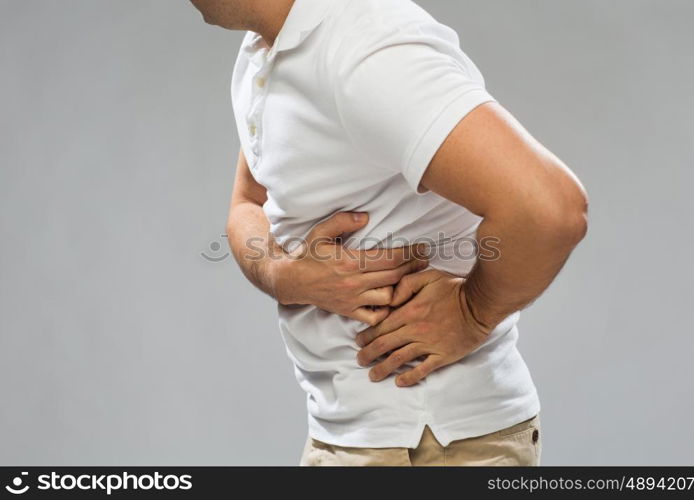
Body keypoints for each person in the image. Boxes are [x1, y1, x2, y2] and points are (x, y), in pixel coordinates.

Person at [189, 0, 589, 466]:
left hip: (435, 443)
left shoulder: (366, 49)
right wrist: (281, 272)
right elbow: (247, 202)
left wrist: (473, 314)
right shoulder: (265, 49)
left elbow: (549, 209)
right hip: (344, 434)